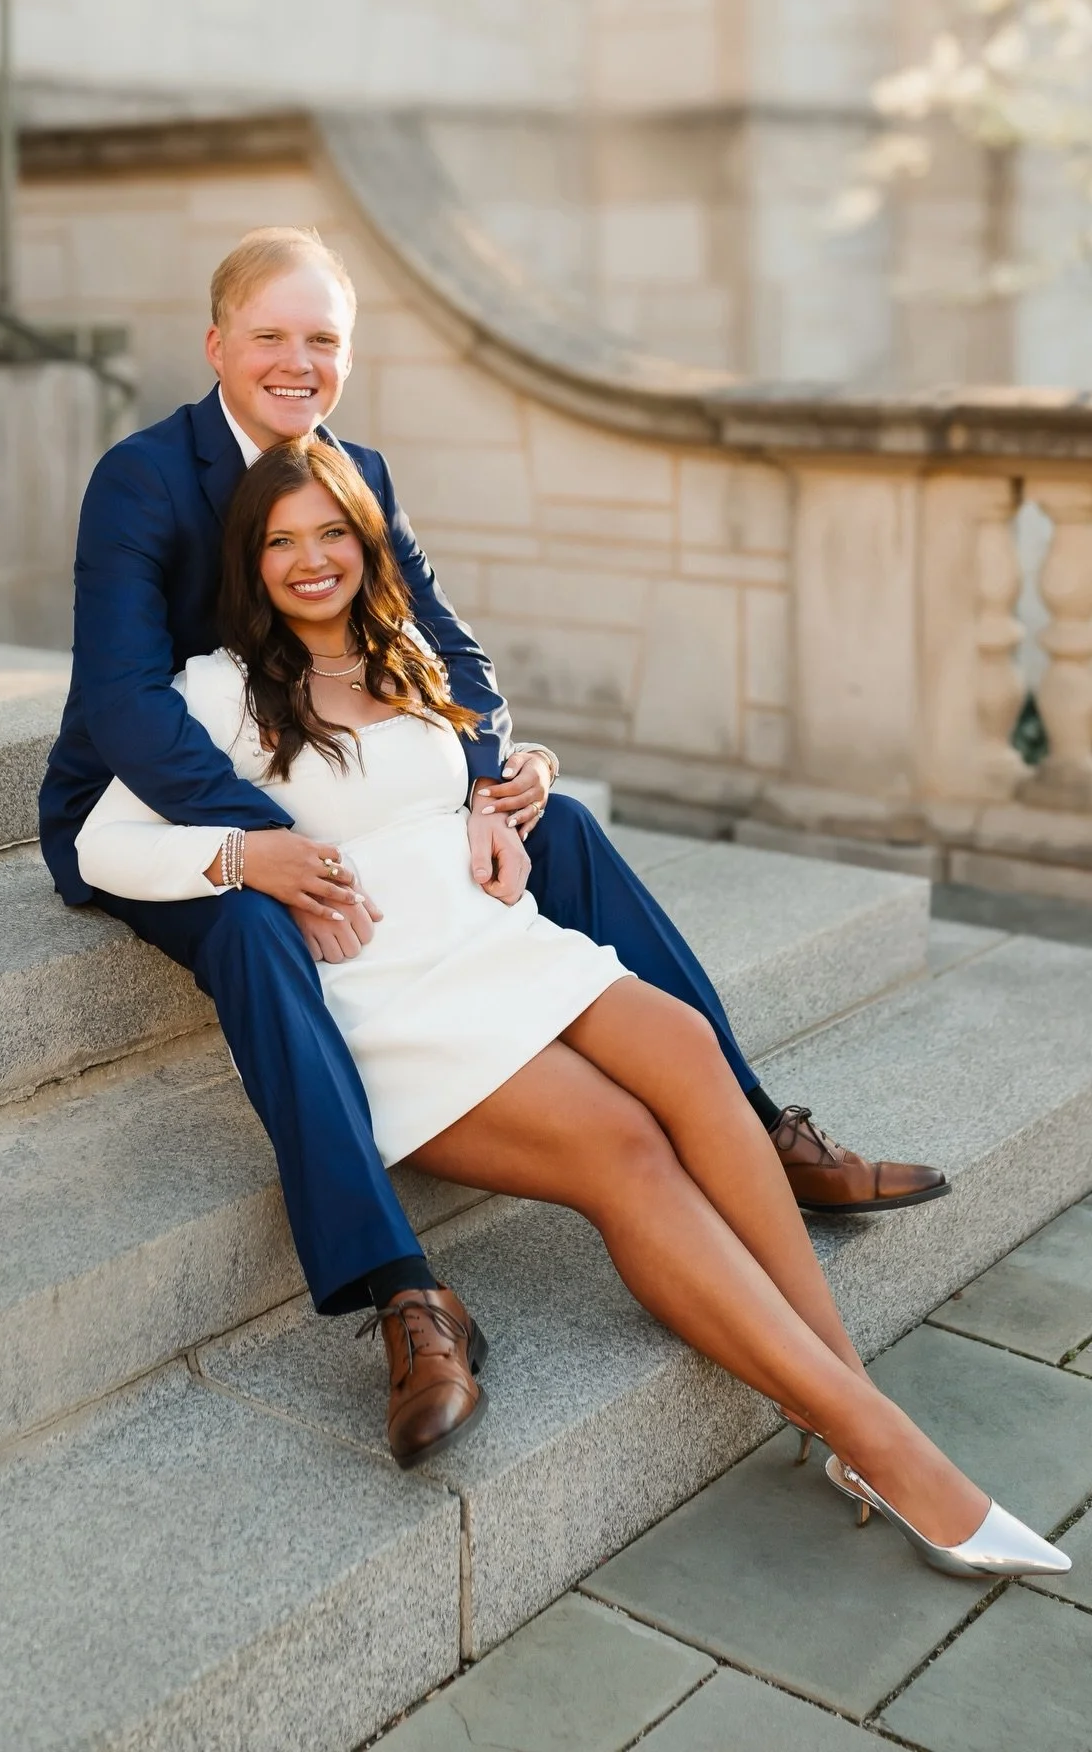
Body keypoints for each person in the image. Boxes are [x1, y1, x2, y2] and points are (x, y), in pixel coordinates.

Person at [72, 434, 1068, 1579]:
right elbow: (105, 843)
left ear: (366, 539)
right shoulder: (224, 690)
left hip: (501, 946)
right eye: (280, 542)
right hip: (389, 993)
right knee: (625, 1148)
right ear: (249, 562)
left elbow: (469, 771)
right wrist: (251, 860)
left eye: (331, 533)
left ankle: (843, 1397)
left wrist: (526, 771)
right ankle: (881, 1443)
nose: (310, 561)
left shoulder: (406, 653)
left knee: (688, 1045)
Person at [38, 225, 947, 1467]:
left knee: (552, 824)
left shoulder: (355, 471)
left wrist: (475, 788)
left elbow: (452, 656)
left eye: (323, 340)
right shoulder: (142, 479)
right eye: (270, 336)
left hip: (340, 767)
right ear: (216, 347)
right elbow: (127, 708)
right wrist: (286, 840)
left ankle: (748, 1124)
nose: (296, 361)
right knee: (261, 922)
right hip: (169, 800)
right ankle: (403, 1290)